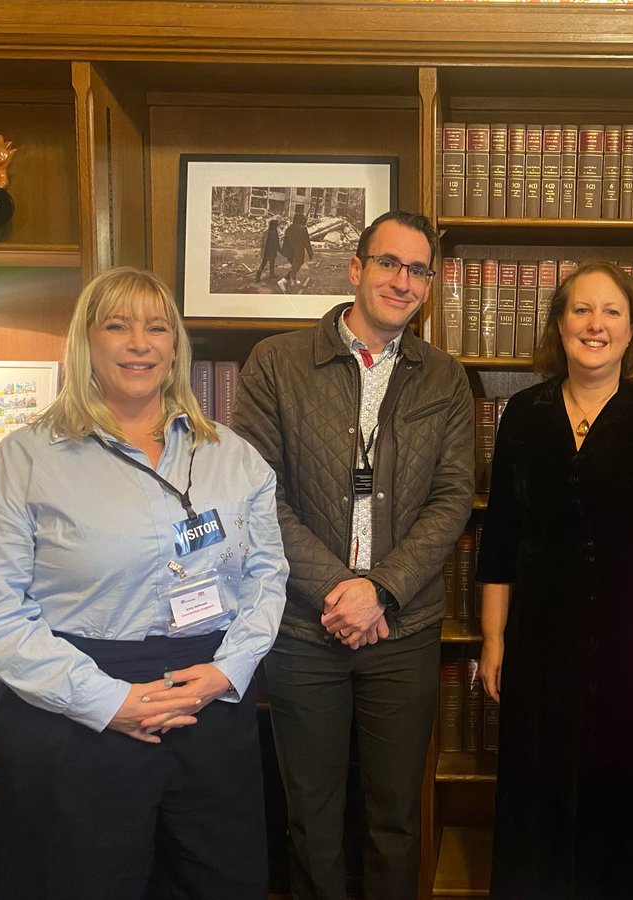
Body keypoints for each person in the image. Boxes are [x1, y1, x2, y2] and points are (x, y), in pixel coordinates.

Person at [0, 266, 289, 899]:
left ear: (175, 345)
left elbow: (267, 577)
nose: (140, 343)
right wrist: (108, 702)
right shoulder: (25, 460)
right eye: (118, 325)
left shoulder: (233, 456)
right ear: (86, 341)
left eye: (157, 327)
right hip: (74, 711)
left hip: (208, 700)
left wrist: (231, 669)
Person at [233, 210, 474, 900]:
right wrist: (340, 589)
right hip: (305, 630)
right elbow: (256, 496)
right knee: (310, 817)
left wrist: (381, 591)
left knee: (395, 817)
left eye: (419, 270)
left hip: (404, 627)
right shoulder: (277, 364)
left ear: (429, 284)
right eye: (389, 263)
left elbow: (453, 499)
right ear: (355, 269)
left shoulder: (445, 378)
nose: (403, 281)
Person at [477, 260, 633, 899]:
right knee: (545, 791)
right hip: (542, 643)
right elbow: (502, 536)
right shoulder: (524, 415)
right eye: (581, 310)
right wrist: (494, 639)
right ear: (559, 326)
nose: (595, 324)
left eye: (612, 311)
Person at [279, 212, 314, 292]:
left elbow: (285, 241)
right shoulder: (303, 228)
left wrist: (285, 252)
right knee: (297, 266)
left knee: (294, 265)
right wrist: (310, 253)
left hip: (289, 251)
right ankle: (283, 281)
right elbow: (307, 242)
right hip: (298, 251)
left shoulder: (289, 228)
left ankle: (294, 281)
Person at [256, 217, 281, 282]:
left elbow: (262, 241)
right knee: (272, 263)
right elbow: (276, 244)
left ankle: (257, 276)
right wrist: (281, 251)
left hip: (265, 251)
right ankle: (271, 275)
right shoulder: (274, 233)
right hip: (271, 251)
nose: (276, 226)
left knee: (263, 264)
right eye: (276, 225)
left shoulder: (266, 231)